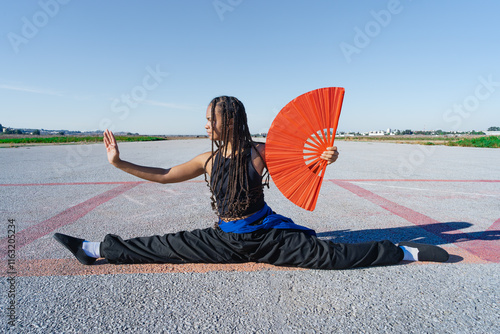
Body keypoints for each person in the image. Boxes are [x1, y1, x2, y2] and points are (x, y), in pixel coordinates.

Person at [54, 96, 449, 268]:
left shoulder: (262, 152)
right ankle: (92, 247)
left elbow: (305, 163)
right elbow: (164, 177)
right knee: (164, 246)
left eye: (212, 118)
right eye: (206, 117)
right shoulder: (206, 159)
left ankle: (403, 252)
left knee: (330, 257)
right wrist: (121, 163)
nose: (206, 124)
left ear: (232, 120)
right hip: (224, 237)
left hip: (268, 235)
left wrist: (327, 157)